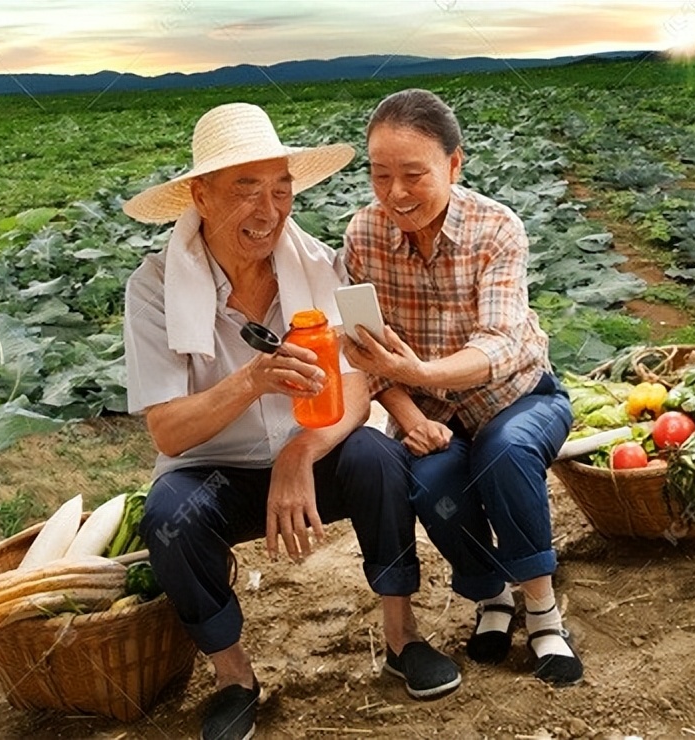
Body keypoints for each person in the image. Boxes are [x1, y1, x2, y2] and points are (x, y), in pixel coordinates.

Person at [120, 102, 460, 740]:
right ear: (200, 196)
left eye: (281, 190)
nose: (268, 211)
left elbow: (357, 385)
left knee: (379, 459)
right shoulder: (155, 288)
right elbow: (168, 432)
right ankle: (233, 676)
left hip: (312, 456)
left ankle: (401, 636)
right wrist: (251, 380)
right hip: (213, 475)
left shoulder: (318, 265)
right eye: (245, 190)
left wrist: (299, 455)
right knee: (167, 519)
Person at [341, 89, 584, 686]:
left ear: (454, 164)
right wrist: (408, 408)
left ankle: (543, 611)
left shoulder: (496, 228)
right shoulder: (363, 236)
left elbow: (501, 343)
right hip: (431, 415)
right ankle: (493, 593)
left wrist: (419, 372)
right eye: (380, 175)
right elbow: (368, 357)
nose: (395, 193)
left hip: (521, 397)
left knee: (503, 450)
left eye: (414, 175)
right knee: (430, 481)